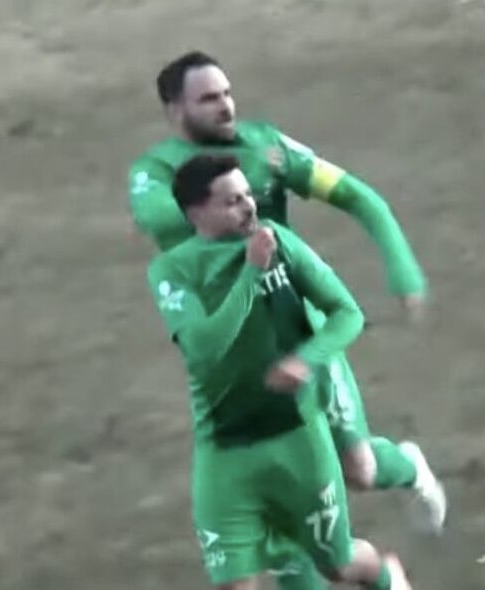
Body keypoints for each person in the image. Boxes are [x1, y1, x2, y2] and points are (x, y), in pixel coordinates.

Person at [128, 51, 446, 527]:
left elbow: (358, 197)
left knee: (359, 470)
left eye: (227, 93)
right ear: (176, 110)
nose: (226, 106)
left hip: (297, 325)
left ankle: (408, 468)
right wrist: (236, 187)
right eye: (208, 99)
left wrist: (403, 271)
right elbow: (160, 216)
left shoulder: (267, 146)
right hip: (232, 345)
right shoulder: (153, 172)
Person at [147, 153, 412, 589]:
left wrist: (307, 359)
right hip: (225, 452)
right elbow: (204, 347)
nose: (249, 206)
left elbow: (347, 312)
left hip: (298, 441)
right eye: (232, 201)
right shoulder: (173, 270)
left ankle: (387, 577)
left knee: (336, 565)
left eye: (247, 195)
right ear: (197, 213)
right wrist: (251, 273)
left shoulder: (280, 242)